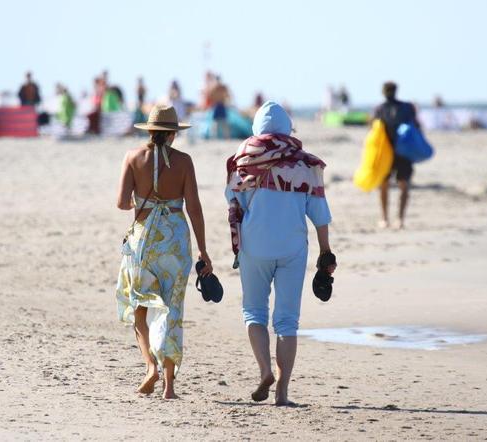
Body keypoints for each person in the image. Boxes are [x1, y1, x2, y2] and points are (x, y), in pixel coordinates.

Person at [225, 101, 335, 405]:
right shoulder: (305, 165)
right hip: (292, 248)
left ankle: (264, 370)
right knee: (287, 322)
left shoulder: (241, 161)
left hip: (253, 246)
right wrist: (326, 252)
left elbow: (233, 204)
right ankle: (282, 391)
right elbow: (320, 214)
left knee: (254, 312)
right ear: (288, 129)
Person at [116, 105, 212, 399]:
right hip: (176, 242)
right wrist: (204, 251)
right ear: (172, 133)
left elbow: (121, 203)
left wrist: (143, 203)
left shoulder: (133, 158)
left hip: (144, 242)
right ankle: (169, 385)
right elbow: (193, 207)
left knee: (140, 307)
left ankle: (149, 367)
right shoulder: (184, 162)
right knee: (172, 310)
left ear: (150, 130)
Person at [374, 82, 420, 229]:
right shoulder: (407, 107)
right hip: (401, 151)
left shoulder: (380, 109)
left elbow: (374, 131)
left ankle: (387, 218)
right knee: (401, 184)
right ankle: (396, 219)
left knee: (387, 185)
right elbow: (416, 127)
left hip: (389, 152)